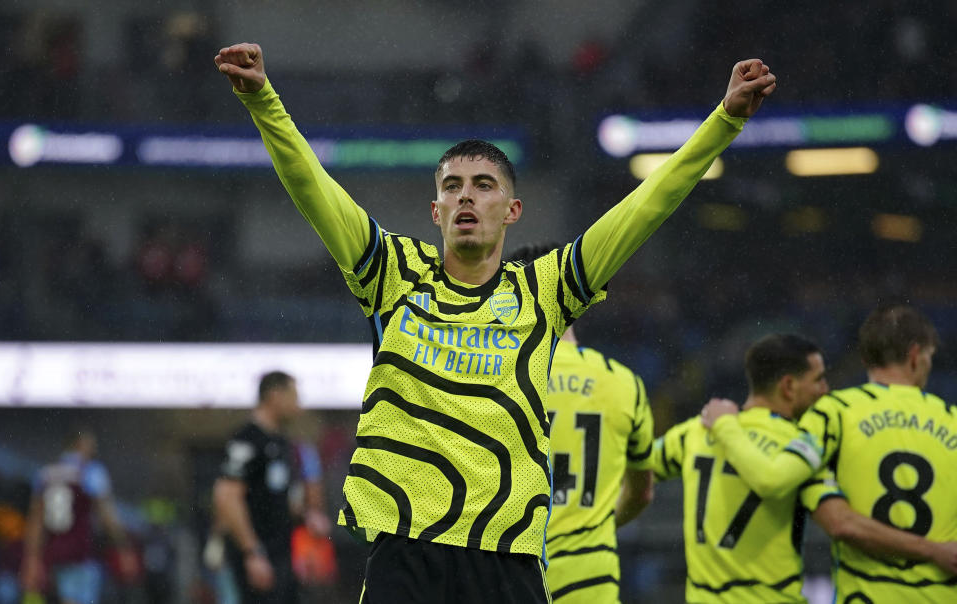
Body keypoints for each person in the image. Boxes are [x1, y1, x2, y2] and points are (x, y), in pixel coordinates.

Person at [215, 42, 776, 602]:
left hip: (505, 558)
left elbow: (647, 205)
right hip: (405, 550)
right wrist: (264, 101)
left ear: (512, 210)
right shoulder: (392, 273)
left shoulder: (545, 288)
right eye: (452, 186)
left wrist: (723, 121)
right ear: (435, 211)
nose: (466, 197)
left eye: (484, 185)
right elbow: (313, 188)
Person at [655, 333, 957, 603]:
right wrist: (933, 550)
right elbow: (841, 523)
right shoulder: (800, 447)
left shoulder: (696, 431)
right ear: (788, 386)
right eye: (819, 380)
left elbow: (641, 460)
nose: (825, 390)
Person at [508, 243, 654, 603]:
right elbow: (642, 492)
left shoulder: (495, 377)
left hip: (510, 572)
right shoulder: (623, 383)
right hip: (591, 576)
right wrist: (599, 523)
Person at [212, 371, 330, 604]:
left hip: (281, 555)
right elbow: (226, 497)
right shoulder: (247, 441)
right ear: (275, 396)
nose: (299, 405)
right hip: (258, 556)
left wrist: (307, 516)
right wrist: (252, 552)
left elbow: (277, 498)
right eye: (294, 396)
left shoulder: (282, 443)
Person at [19, 428, 136, 604]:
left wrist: (32, 557)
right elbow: (107, 516)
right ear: (79, 445)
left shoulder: (46, 473)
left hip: (53, 554)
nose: (94, 451)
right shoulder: (90, 472)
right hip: (81, 554)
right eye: (91, 446)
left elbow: (36, 520)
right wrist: (124, 547)